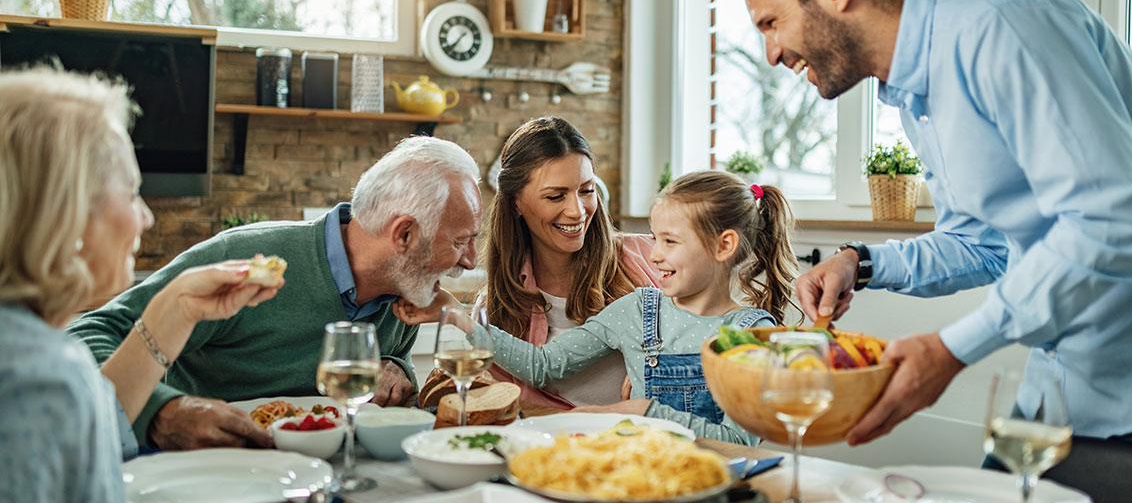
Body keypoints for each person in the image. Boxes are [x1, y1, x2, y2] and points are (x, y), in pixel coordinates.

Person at [740, 0, 1132, 449]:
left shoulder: (1006, 29)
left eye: (771, 23)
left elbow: (1115, 223)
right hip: (1063, 390)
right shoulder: (917, 97)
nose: (772, 53)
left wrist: (951, 349)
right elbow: (985, 245)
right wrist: (859, 261)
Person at [69, 135, 482, 450]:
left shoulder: (408, 290)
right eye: (462, 241)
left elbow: (390, 378)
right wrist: (161, 411)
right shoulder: (245, 257)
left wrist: (397, 370)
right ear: (404, 234)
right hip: (198, 471)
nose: (470, 261)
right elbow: (86, 337)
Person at [0, 67, 281, 502]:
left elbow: (88, 432)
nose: (146, 217)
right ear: (65, 213)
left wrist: (178, 306)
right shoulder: (39, 378)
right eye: (132, 192)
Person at [399, 170, 798, 445]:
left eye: (670, 242)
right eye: (655, 239)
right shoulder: (639, 310)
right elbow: (543, 366)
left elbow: (739, 441)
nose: (655, 255)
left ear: (723, 245)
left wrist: (645, 411)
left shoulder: (750, 334)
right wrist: (459, 316)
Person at [477, 116, 662, 409]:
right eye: (555, 196)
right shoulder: (496, 308)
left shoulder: (651, 258)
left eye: (586, 191)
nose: (577, 211)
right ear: (516, 204)